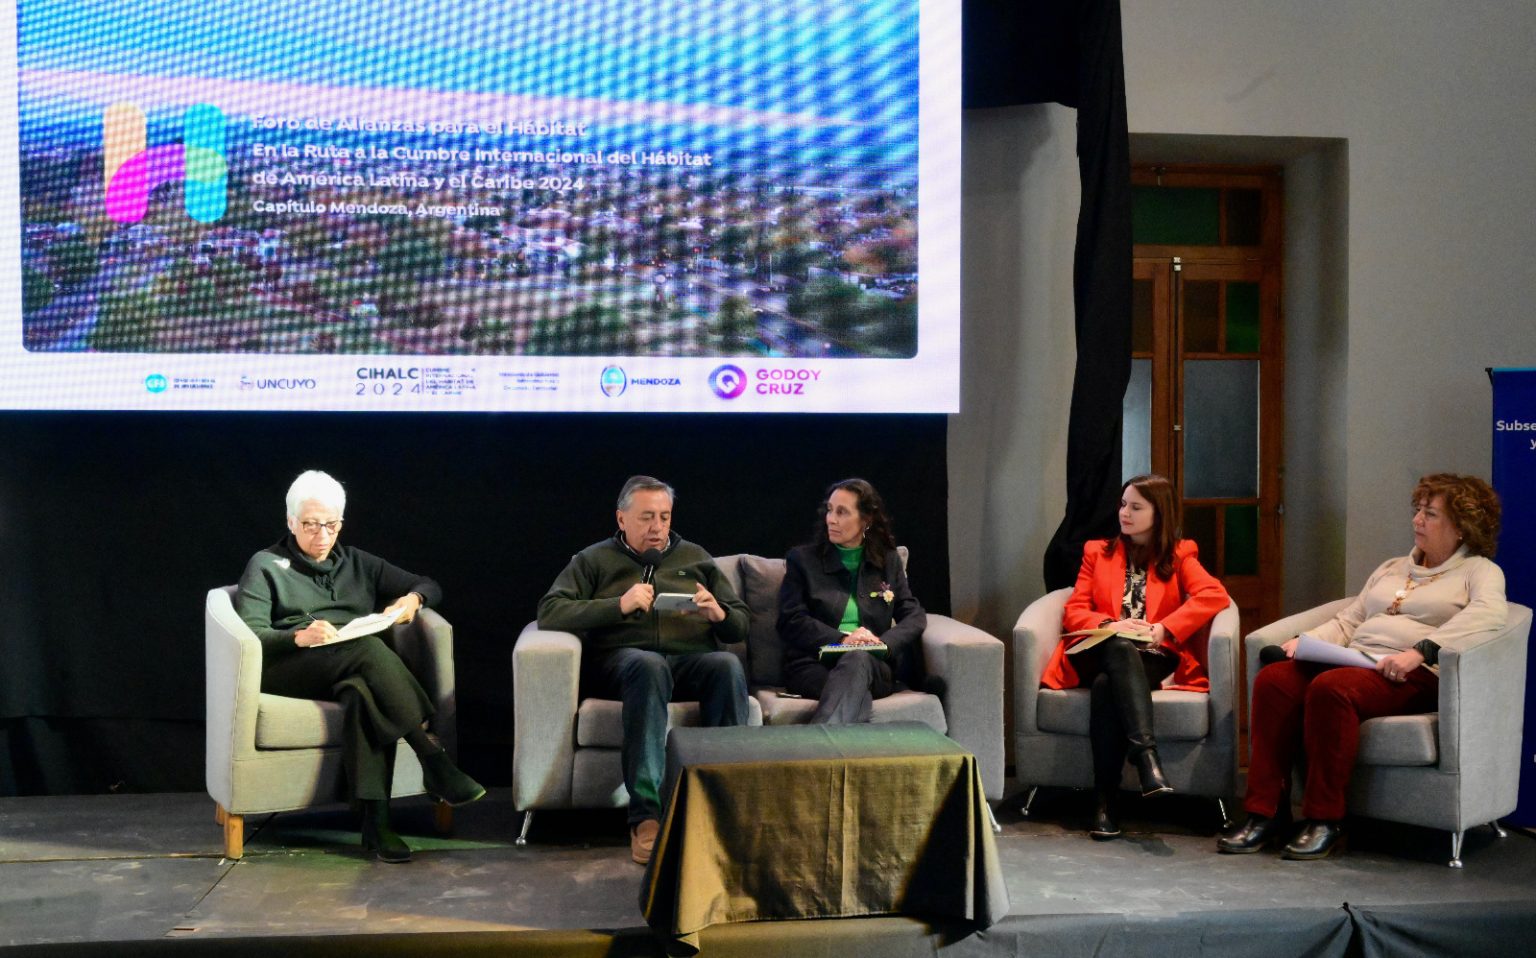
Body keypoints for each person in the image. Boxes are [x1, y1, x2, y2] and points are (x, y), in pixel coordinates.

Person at [1219, 473, 1506, 860]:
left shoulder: (1479, 571)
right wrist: (1306, 641)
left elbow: (1488, 615)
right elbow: (1349, 620)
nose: (1417, 519)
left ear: (1461, 527)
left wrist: (1421, 651)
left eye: (1430, 514)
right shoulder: (1392, 567)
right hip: (1357, 661)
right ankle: (1265, 813)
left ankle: (1325, 820)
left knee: (1332, 689)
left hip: (1411, 674)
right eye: (1418, 510)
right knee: (1274, 681)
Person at [234, 470, 484, 864]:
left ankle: (377, 824)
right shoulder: (265, 565)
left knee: (361, 693)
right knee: (367, 650)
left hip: (349, 665)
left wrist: (412, 601)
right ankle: (432, 758)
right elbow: (250, 634)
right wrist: (297, 637)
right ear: (291, 522)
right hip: (288, 668)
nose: (322, 536)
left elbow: (428, 584)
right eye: (311, 525)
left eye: (331, 525)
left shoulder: (357, 562)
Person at [537, 475, 751, 865]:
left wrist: (718, 613)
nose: (657, 527)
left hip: (688, 660)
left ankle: (724, 804)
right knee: (648, 665)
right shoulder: (593, 559)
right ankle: (646, 817)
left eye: (664, 517)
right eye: (647, 517)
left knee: (726, 664)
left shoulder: (695, 557)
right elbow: (551, 611)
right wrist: (617, 605)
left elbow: (739, 624)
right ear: (622, 519)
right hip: (624, 661)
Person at [1041, 474, 1230, 840]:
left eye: (1136, 507)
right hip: (1096, 649)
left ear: (1159, 514)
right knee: (1117, 645)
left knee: (1105, 687)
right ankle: (1146, 756)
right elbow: (1075, 610)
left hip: (1150, 654)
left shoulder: (1180, 554)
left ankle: (1105, 803)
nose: (1124, 513)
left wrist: (1164, 629)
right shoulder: (1098, 552)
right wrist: (1112, 624)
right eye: (1123, 504)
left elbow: (1214, 595)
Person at [777, 478, 927, 724]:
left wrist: (883, 644)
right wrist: (843, 640)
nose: (831, 519)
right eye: (829, 510)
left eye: (842, 512)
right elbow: (791, 619)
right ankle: (835, 744)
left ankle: (816, 744)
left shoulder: (887, 561)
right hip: (814, 665)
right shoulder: (802, 560)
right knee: (854, 691)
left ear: (866, 520)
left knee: (858, 660)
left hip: (872, 665)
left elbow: (914, 615)